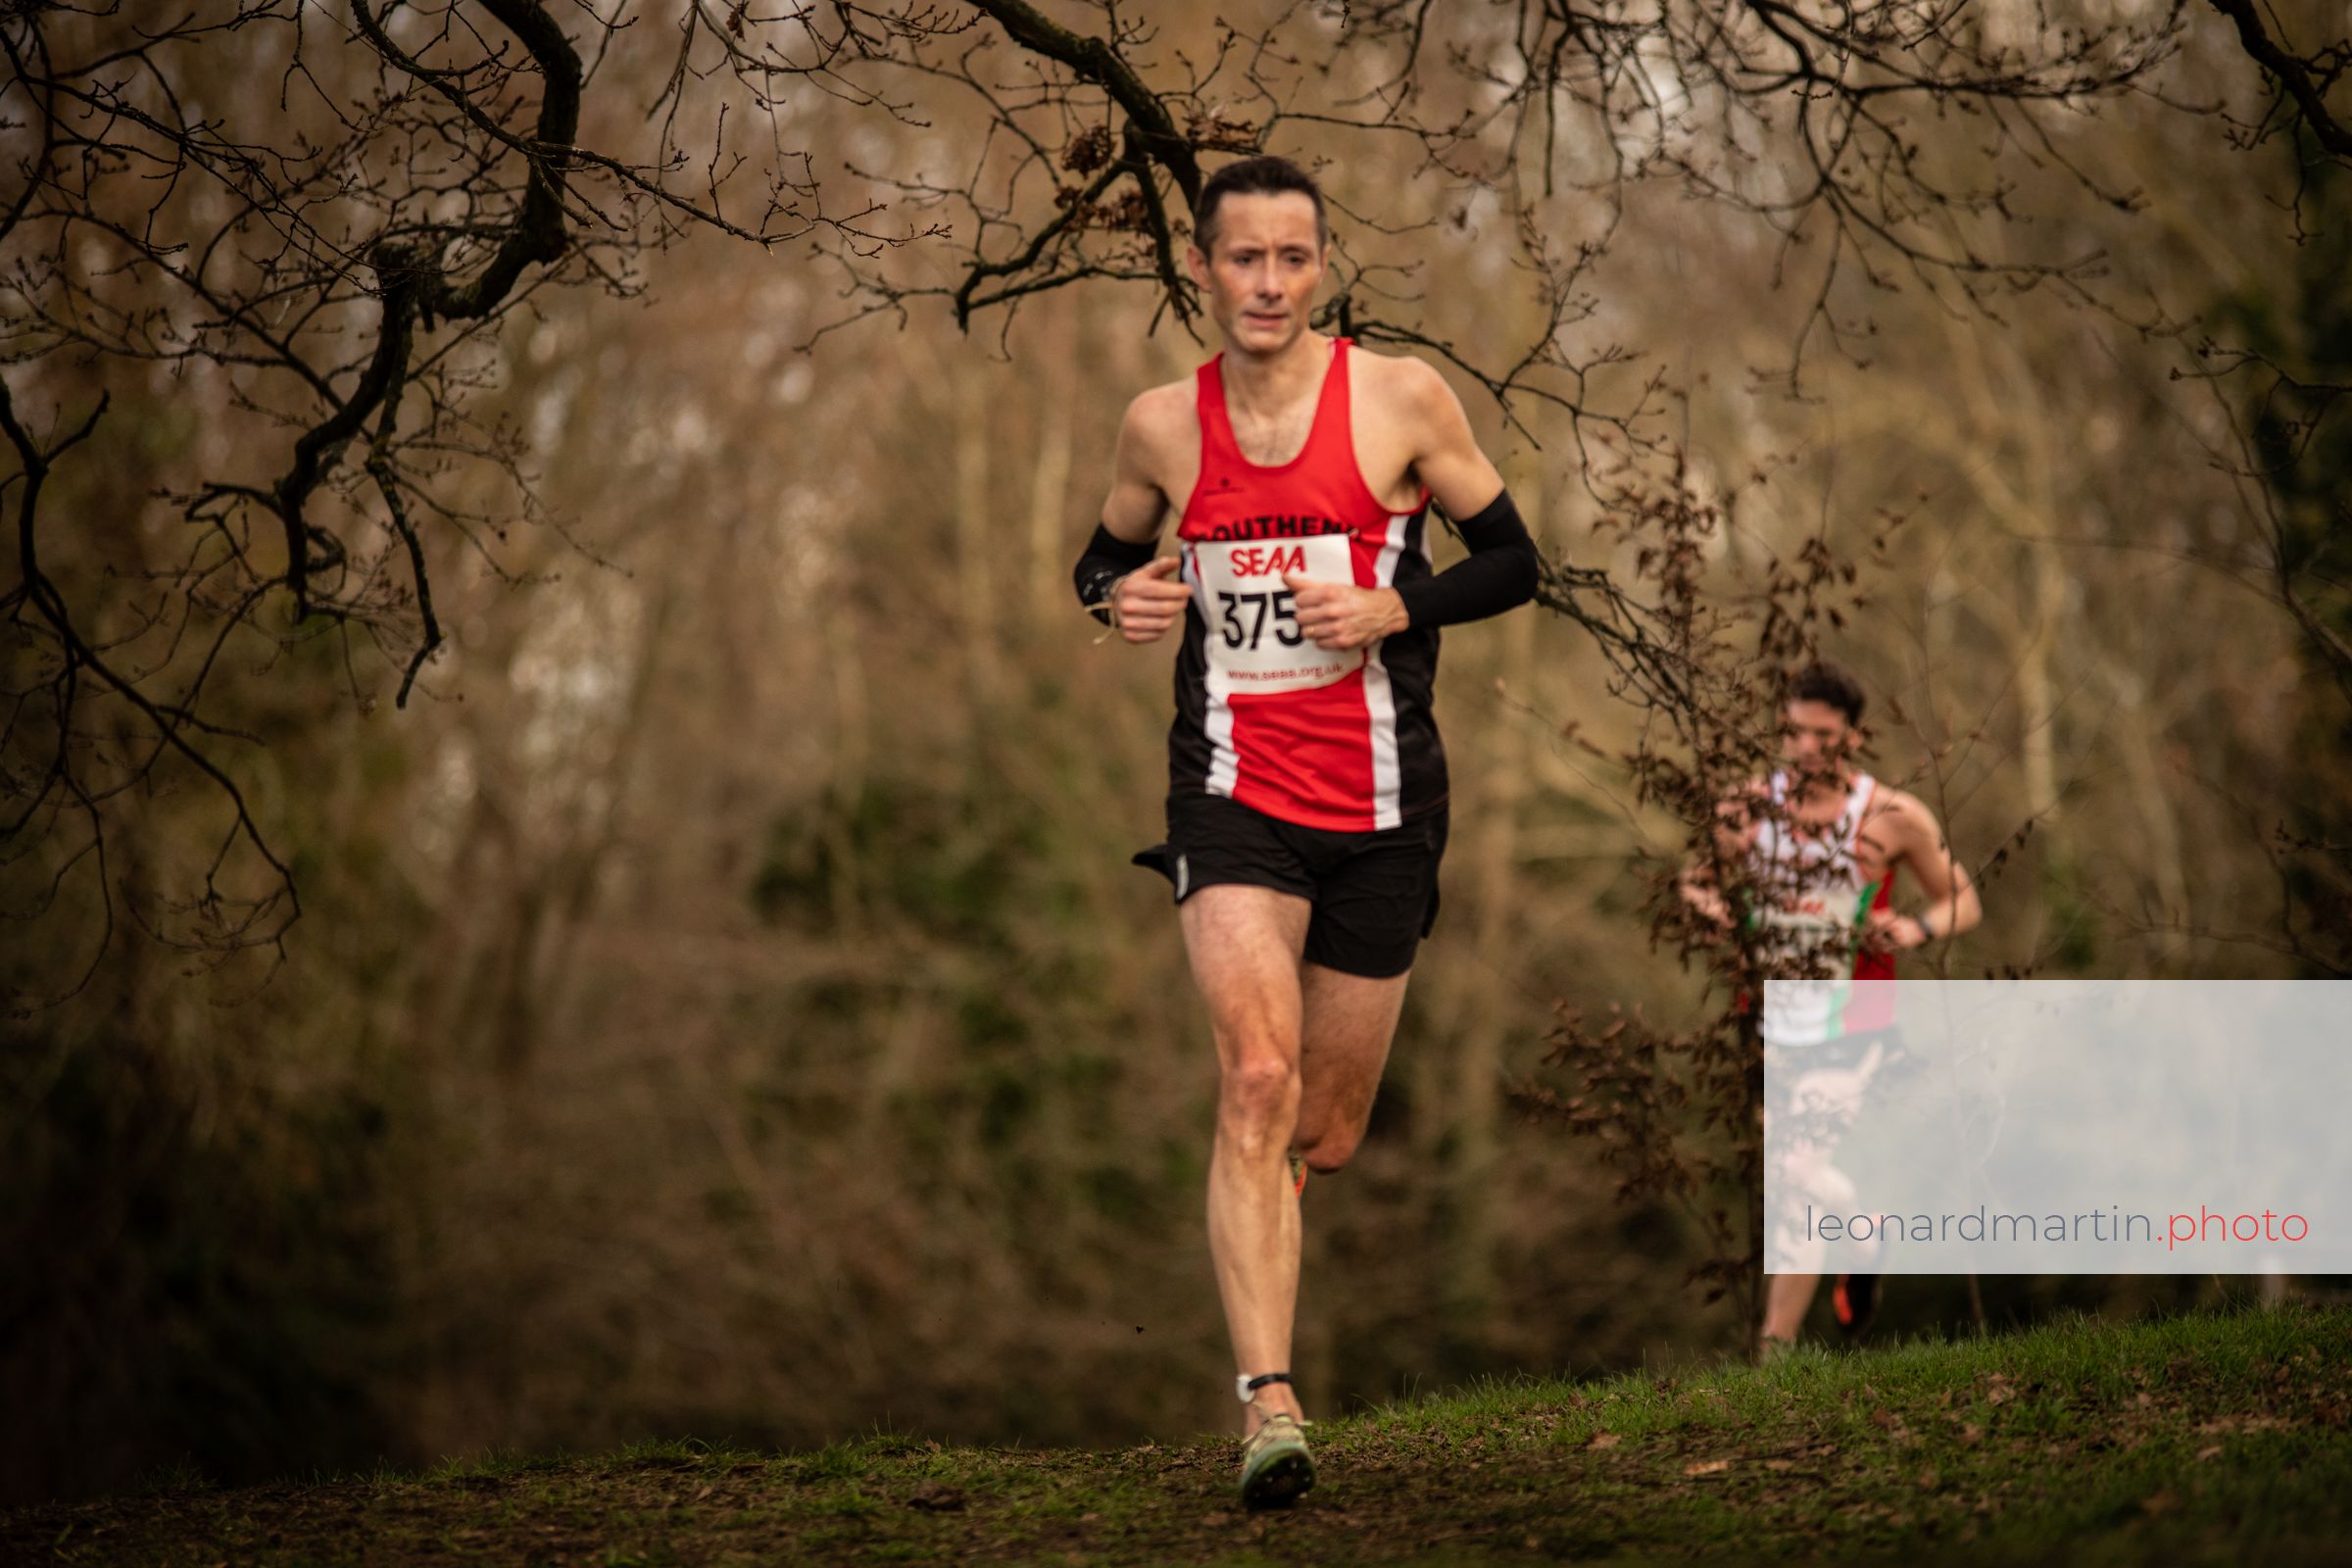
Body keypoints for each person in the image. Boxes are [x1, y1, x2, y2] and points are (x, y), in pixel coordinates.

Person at [1070, 154, 1541, 1506]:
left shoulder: (1401, 400)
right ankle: (1268, 1401)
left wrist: (1400, 606)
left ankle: (1269, 1253)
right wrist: (1116, 601)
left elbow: (1516, 563)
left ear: (1321, 266)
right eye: (1243, 258)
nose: (1267, 282)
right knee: (1256, 1078)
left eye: (1291, 258)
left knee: (1320, 1132)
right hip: (1230, 798)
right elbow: (1102, 560)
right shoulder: (1162, 426)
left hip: (1386, 809)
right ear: (1202, 267)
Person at [1679, 661, 1983, 1358]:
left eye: (1823, 735)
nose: (1806, 748)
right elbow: (1692, 883)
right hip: (1768, 1021)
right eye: (1794, 732)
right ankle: (1857, 1246)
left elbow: (1964, 899)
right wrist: (1713, 910)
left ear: (1853, 737)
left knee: (1795, 1171)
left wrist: (1914, 928)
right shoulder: (1748, 810)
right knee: (1797, 1182)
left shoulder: (1891, 816)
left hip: (1855, 1022)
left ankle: (1776, 1350)